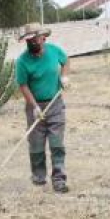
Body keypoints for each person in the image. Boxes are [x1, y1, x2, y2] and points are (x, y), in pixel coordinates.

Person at [15, 22, 70, 193]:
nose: (32, 44)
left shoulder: (54, 51)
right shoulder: (22, 61)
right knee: (36, 144)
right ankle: (39, 177)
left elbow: (66, 60)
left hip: (55, 104)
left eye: (34, 40)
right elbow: (23, 85)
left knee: (56, 143)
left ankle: (59, 179)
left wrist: (64, 77)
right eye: (28, 41)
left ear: (43, 38)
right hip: (35, 105)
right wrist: (34, 107)